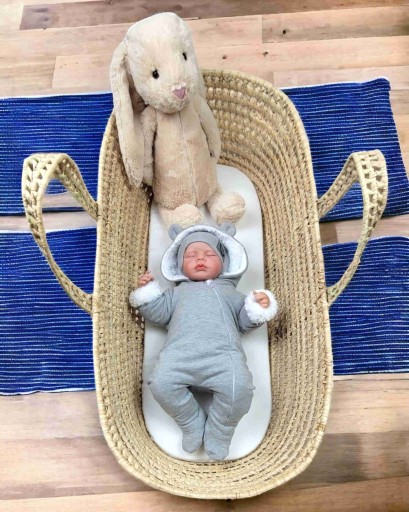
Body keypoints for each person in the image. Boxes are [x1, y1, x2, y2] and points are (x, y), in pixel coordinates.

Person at [129, 223, 278, 460]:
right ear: (179, 265)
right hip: (179, 358)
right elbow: (157, 312)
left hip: (223, 360)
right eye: (190, 255)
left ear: (224, 263)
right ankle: (190, 420)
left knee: (240, 390)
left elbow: (244, 321)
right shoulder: (176, 293)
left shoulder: (230, 293)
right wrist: (147, 292)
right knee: (160, 384)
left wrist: (258, 306)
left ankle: (221, 430)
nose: (200, 258)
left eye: (209, 254)